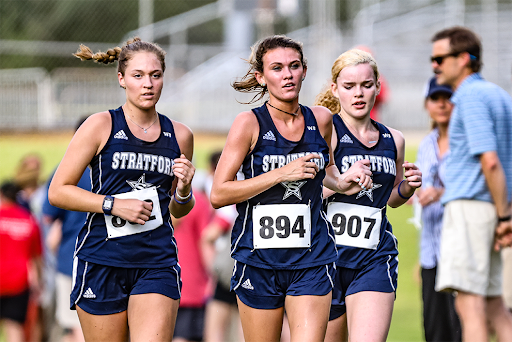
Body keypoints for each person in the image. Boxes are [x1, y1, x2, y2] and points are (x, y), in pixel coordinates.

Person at [210, 35, 372, 342]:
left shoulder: (322, 120)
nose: (287, 74)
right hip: (257, 260)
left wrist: (343, 181)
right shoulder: (249, 124)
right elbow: (219, 193)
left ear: (304, 71)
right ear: (261, 76)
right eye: (277, 68)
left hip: (312, 258)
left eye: (294, 66)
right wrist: (281, 174)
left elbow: (325, 173)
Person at [48, 37, 196, 342]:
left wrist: (184, 189)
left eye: (155, 75)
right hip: (102, 259)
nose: (147, 84)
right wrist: (113, 204)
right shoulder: (100, 125)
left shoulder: (180, 134)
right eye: (138, 75)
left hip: (157, 261)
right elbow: (58, 191)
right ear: (122, 79)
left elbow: (178, 209)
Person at [314, 48, 422, 342]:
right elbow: (302, 193)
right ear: (335, 90)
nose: (358, 94)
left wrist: (408, 187)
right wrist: (340, 182)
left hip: (373, 258)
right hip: (325, 260)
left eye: (366, 85)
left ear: (377, 87)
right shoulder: (325, 133)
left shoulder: (393, 139)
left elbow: (391, 199)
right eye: (349, 86)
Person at [431, 26, 512, 342]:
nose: (435, 65)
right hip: (492, 207)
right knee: (494, 306)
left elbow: (490, 160)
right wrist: (503, 213)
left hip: (471, 209)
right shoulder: (499, 94)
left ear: (464, 58)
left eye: (440, 58)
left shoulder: (469, 96)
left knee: (469, 305)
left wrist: (504, 216)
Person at [415, 76, 461, 342]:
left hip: (459, 251)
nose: (442, 104)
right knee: (434, 331)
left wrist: (440, 193)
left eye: (448, 98)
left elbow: (480, 189)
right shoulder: (426, 144)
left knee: (460, 328)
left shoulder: (465, 143)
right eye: (435, 98)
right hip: (430, 252)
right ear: (427, 104)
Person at [42, 117, 90, 342]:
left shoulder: (65, 171)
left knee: (75, 327)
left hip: (72, 257)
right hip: (113, 259)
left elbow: (48, 216)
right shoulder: (115, 170)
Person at [0, 180, 43, 342]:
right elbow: (37, 256)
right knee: (14, 327)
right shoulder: (29, 220)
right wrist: (39, 281)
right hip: (18, 281)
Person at [172, 186, 213, 342]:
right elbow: (206, 241)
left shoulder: (150, 199)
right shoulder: (197, 201)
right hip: (191, 286)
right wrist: (212, 278)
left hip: (157, 283)